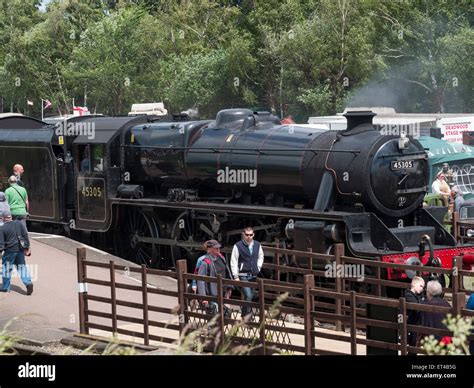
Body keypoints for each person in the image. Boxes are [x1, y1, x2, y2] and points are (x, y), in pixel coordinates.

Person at [230, 226, 264, 318]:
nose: (249, 236)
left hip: (253, 275)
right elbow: (234, 260)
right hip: (243, 275)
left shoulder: (257, 245)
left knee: (249, 296)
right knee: (248, 295)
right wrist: (235, 276)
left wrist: (258, 267)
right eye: (247, 235)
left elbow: (261, 256)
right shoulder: (237, 246)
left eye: (251, 235)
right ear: (243, 235)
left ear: (253, 235)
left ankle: (244, 315)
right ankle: (248, 316)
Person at [196, 239, 233, 316]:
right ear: (209, 249)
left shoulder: (221, 258)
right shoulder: (205, 262)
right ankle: (212, 327)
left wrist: (229, 287)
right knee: (213, 314)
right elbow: (201, 281)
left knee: (226, 313)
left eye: (219, 248)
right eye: (216, 248)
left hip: (223, 291)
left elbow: (227, 272)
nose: (218, 250)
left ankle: (220, 327)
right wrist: (204, 297)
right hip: (212, 293)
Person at [0, 210, 33, 294]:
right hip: (20, 249)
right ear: (10, 216)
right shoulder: (19, 223)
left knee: (7, 269)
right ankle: (28, 283)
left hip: (9, 251)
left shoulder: (2, 228)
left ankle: (5, 287)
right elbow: (25, 235)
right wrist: (27, 247)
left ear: (3, 218)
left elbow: (1, 244)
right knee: (21, 267)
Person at [404, 276, 425, 353]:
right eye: (421, 286)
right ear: (414, 284)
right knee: (413, 344)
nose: (422, 288)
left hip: (418, 323)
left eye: (423, 287)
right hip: (412, 323)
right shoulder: (408, 295)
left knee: (416, 344)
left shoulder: (420, 295)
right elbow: (417, 306)